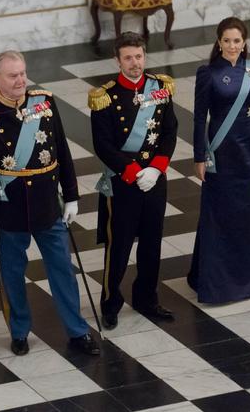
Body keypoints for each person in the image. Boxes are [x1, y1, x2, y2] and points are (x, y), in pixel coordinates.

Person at [0, 50, 99, 356]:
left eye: (23, 73)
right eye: (13, 75)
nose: (20, 80)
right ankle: (19, 331)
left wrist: (72, 195)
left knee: (62, 269)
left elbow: (61, 151)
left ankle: (77, 331)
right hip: (8, 207)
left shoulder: (44, 102)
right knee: (12, 273)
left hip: (46, 203)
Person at [89, 32, 178, 330]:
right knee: (119, 246)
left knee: (152, 243)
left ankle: (146, 299)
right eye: (128, 58)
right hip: (122, 181)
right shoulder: (105, 97)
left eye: (138, 56)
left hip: (154, 178)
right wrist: (132, 172)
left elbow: (169, 132)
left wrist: (155, 169)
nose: (134, 63)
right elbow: (102, 145)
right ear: (117, 60)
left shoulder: (160, 88)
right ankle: (111, 302)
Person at [187, 17, 250, 304]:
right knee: (218, 214)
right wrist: (199, 156)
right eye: (227, 41)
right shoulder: (207, 73)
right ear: (218, 42)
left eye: (237, 41)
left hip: (246, 149)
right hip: (219, 150)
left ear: (244, 42)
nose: (232, 46)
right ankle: (216, 283)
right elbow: (200, 117)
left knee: (246, 213)